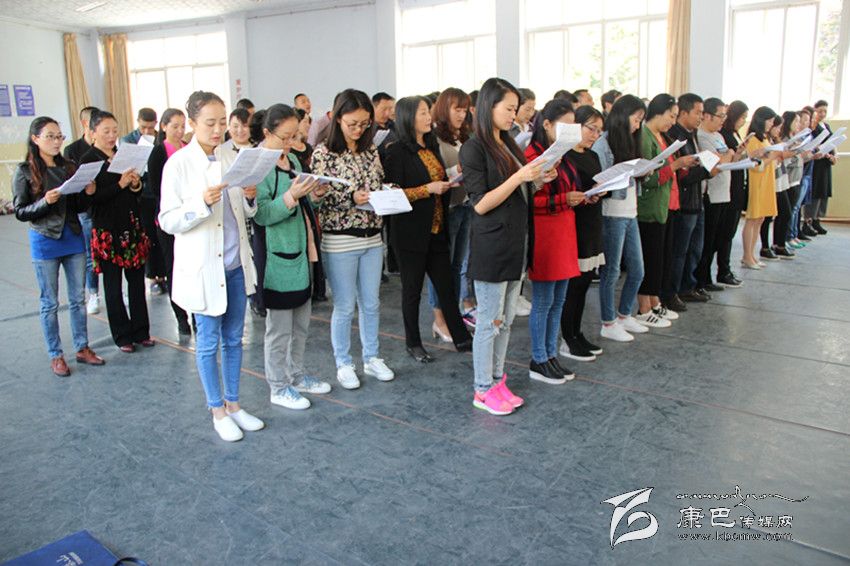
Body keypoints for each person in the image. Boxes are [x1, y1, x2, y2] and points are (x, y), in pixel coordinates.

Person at [159, 90, 265, 442]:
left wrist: (249, 198)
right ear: (192, 123)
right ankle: (216, 409)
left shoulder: (231, 157)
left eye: (223, 122)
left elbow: (240, 213)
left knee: (234, 339)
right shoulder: (178, 164)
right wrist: (200, 203)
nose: (219, 130)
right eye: (210, 123)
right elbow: (168, 220)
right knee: (207, 342)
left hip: (234, 264)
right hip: (204, 269)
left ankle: (234, 404)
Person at [460, 77, 557, 416]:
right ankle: (482, 388)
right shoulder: (474, 148)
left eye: (516, 109)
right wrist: (519, 177)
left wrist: (538, 180)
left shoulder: (509, 143)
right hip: (492, 244)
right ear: (489, 106)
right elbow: (481, 204)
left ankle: (497, 379)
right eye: (509, 108)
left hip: (517, 241)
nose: (514, 115)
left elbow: (517, 192)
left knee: (506, 319)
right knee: (489, 321)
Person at [312, 88, 395, 389]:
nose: (359, 130)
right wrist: (350, 198)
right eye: (352, 124)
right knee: (345, 306)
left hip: (372, 235)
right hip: (340, 239)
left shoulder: (370, 149)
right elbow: (320, 196)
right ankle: (343, 363)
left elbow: (377, 182)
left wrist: (387, 192)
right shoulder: (323, 153)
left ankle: (371, 357)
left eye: (364, 124)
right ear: (337, 119)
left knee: (371, 303)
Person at [252, 104, 333, 410]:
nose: (290, 143)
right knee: (279, 330)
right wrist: (291, 196)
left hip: (302, 251)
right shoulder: (258, 166)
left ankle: (296, 375)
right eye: (284, 137)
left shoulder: (295, 160)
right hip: (277, 257)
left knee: (301, 325)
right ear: (266, 132)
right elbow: (260, 214)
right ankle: (278, 385)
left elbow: (303, 202)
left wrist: (314, 195)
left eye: (295, 136)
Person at [382, 96, 473, 362]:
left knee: (446, 286)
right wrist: (427, 189)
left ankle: (461, 337)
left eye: (427, 112)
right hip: (410, 232)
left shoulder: (431, 145)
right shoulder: (396, 151)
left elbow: (437, 178)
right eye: (422, 113)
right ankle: (413, 343)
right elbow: (393, 193)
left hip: (436, 227)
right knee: (412, 290)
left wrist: (451, 177)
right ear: (408, 117)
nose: (428, 117)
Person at [13, 116, 105, 376]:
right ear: (35, 139)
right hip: (45, 240)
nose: (56, 142)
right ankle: (56, 354)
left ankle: (82, 347)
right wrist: (45, 201)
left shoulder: (69, 167)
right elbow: (20, 211)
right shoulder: (25, 170)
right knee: (50, 302)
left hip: (73, 236)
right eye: (50, 136)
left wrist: (88, 193)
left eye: (59, 137)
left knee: (77, 299)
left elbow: (79, 207)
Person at [80, 110, 152, 352]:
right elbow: (92, 200)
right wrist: (119, 184)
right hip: (107, 230)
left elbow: (135, 192)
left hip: (131, 226)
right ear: (92, 133)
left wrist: (135, 184)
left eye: (114, 131)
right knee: (113, 286)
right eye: (106, 131)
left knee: (136, 282)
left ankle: (141, 331)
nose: (112, 136)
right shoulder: (89, 160)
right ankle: (122, 336)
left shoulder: (123, 154)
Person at [525, 98, 581, 382]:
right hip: (545, 231)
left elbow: (569, 187)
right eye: (564, 126)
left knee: (559, 300)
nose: (570, 133)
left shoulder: (564, 154)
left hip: (564, 229)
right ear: (546, 124)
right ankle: (538, 358)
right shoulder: (533, 155)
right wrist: (563, 199)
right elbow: (528, 200)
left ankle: (550, 355)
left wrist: (581, 196)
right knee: (544, 301)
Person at [637, 94, 698, 327]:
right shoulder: (645, 136)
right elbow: (647, 177)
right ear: (659, 112)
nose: (673, 122)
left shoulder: (662, 136)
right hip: (650, 206)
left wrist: (683, 164)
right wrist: (675, 165)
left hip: (666, 204)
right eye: (671, 116)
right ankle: (644, 307)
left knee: (661, 257)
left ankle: (654, 301)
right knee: (650, 257)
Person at [592, 95, 648, 342]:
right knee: (611, 271)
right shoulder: (603, 144)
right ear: (622, 116)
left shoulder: (631, 141)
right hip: (612, 214)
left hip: (630, 212)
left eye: (640, 120)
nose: (637, 125)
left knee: (637, 270)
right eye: (636, 119)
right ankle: (608, 321)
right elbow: (598, 182)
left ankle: (624, 315)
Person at [428, 88, 477, 338]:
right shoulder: (434, 138)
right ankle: (439, 319)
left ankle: (453, 314)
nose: (461, 114)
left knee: (458, 265)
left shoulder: (465, 136)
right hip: (446, 208)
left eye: (464, 109)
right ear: (443, 109)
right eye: (456, 109)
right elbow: (431, 175)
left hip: (466, 204)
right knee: (441, 268)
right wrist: (454, 171)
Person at [562, 105, 606, 361]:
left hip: (592, 225)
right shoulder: (565, 156)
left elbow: (596, 185)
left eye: (599, 131)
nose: (595, 135)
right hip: (574, 226)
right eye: (591, 129)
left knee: (585, 284)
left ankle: (577, 333)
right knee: (573, 287)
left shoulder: (592, 156)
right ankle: (567, 337)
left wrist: (603, 189)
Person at [147, 108, 192, 335]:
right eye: (175, 126)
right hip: (170, 218)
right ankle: (181, 316)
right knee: (173, 267)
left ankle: (196, 313)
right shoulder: (158, 152)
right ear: (164, 126)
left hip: (191, 215)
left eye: (183, 126)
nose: (180, 131)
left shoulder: (188, 148)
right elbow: (157, 189)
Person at [664, 93, 711, 306]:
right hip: (683, 203)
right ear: (683, 113)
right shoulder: (675, 136)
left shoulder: (692, 134)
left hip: (696, 200)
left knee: (694, 249)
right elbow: (681, 175)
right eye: (698, 112)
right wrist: (708, 171)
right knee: (679, 251)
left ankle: (687, 287)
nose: (701, 117)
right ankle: (672, 292)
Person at [695, 98, 744, 291]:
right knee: (708, 241)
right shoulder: (702, 137)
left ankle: (708, 278)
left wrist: (736, 154)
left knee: (719, 238)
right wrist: (728, 155)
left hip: (725, 193)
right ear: (707, 116)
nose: (723, 119)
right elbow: (714, 163)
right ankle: (702, 279)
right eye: (720, 115)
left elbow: (727, 160)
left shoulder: (718, 136)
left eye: (725, 116)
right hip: (712, 194)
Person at [122, 108, 166, 296]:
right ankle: (151, 277)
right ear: (138, 123)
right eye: (143, 127)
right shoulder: (128, 140)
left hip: (158, 193)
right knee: (147, 236)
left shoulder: (160, 139)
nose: (147, 131)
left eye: (150, 127)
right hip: (141, 195)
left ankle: (162, 275)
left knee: (160, 235)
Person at [63, 106, 100, 314]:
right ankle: (93, 292)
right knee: (90, 254)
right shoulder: (72, 150)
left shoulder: (106, 147)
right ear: (86, 124)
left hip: (104, 204)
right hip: (86, 208)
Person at [741, 107, 779, 269]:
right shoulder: (753, 139)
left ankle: (752, 255)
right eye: (769, 120)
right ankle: (746, 256)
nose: (771, 124)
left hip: (766, 182)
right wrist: (772, 157)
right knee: (752, 219)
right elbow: (755, 165)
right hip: (756, 183)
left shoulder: (764, 138)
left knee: (760, 219)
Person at [717, 100, 749, 286]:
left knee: (730, 232)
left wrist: (740, 153)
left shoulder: (735, 134)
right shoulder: (724, 134)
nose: (743, 121)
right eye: (742, 117)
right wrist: (735, 155)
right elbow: (726, 160)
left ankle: (726, 268)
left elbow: (735, 158)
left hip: (738, 184)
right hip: (729, 187)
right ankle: (723, 269)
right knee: (725, 232)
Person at [759, 114, 798, 259]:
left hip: (781, 179)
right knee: (768, 216)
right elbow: (770, 160)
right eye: (776, 127)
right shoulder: (765, 141)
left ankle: (779, 244)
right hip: (772, 181)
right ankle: (765, 246)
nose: (778, 130)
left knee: (785, 212)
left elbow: (781, 156)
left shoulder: (775, 140)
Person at [805, 100, 836, 235]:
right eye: (820, 111)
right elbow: (813, 143)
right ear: (815, 111)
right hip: (817, 163)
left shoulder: (826, 126)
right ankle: (808, 220)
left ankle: (817, 219)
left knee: (824, 191)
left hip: (826, 163)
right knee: (815, 191)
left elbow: (832, 142)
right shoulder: (812, 127)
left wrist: (834, 155)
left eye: (825, 111)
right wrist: (824, 152)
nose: (822, 114)